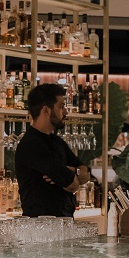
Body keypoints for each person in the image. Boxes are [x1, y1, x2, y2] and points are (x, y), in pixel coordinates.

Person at [15, 83, 89, 217]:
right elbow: (73, 185)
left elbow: (86, 174)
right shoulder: (32, 145)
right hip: (39, 225)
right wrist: (72, 175)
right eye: (61, 107)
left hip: (62, 222)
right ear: (46, 110)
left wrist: (73, 171)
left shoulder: (57, 141)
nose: (65, 112)